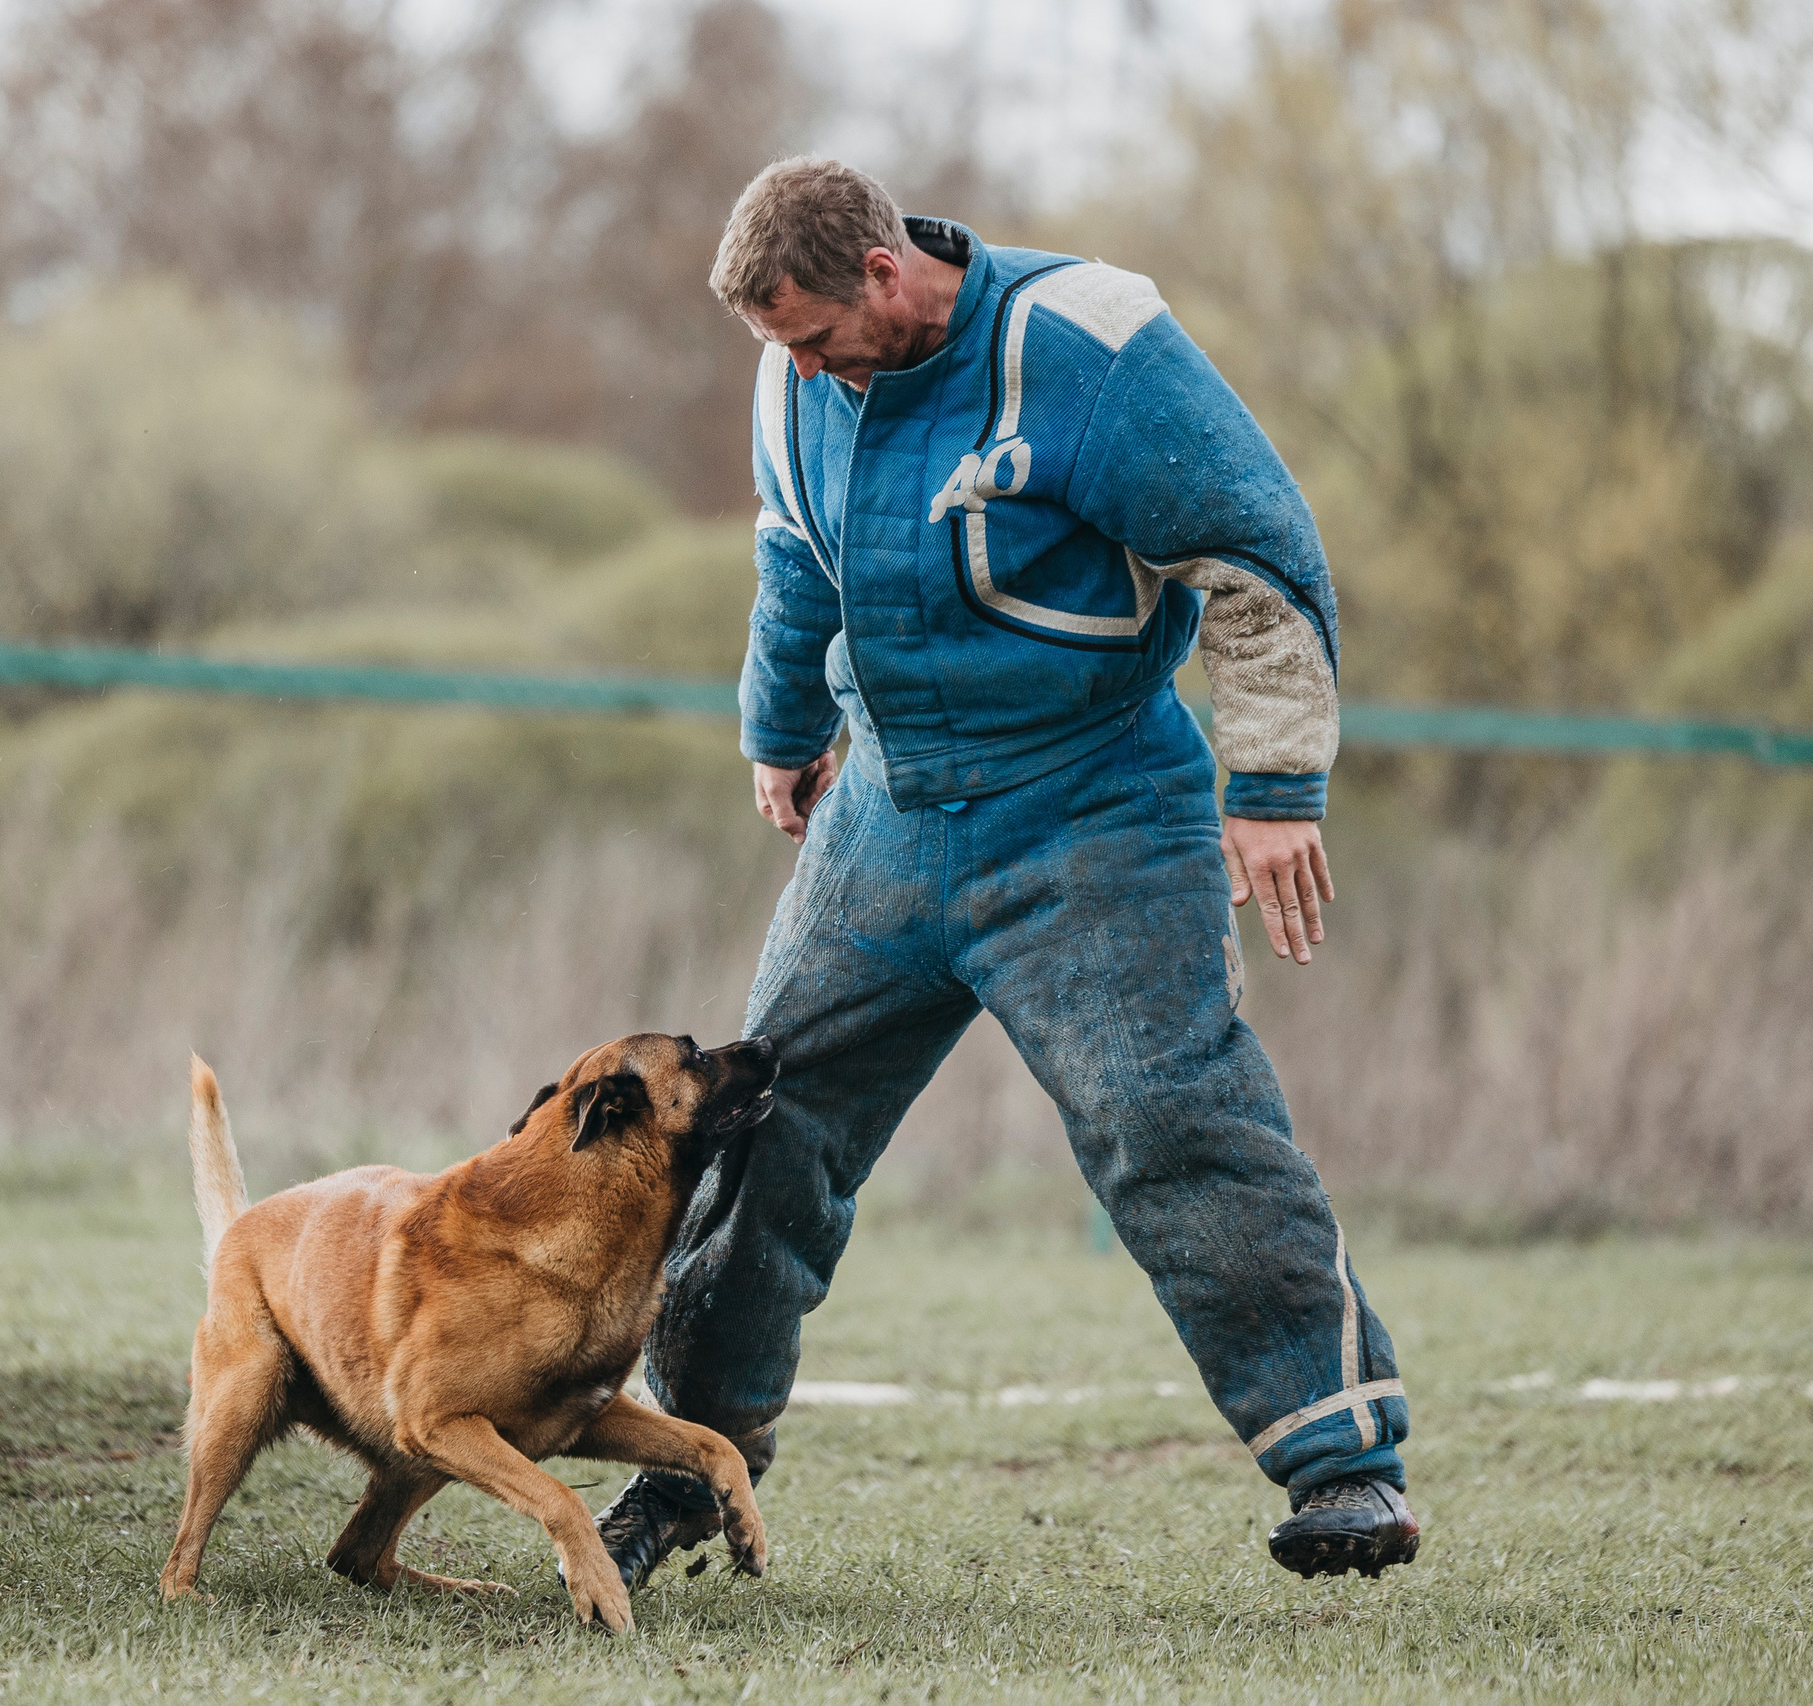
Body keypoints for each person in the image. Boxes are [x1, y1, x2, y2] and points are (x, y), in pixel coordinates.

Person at [589, 157, 1419, 1588]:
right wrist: (781, 731)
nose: (795, 368)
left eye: (808, 335)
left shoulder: (1087, 343)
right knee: (755, 1122)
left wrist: (1275, 783)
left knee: (1167, 1110)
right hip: (889, 821)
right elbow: (792, 562)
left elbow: (1256, 550)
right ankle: (692, 1460)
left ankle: (1343, 1460)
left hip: (1094, 808)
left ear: (887, 276)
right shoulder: (795, 380)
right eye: (774, 347)